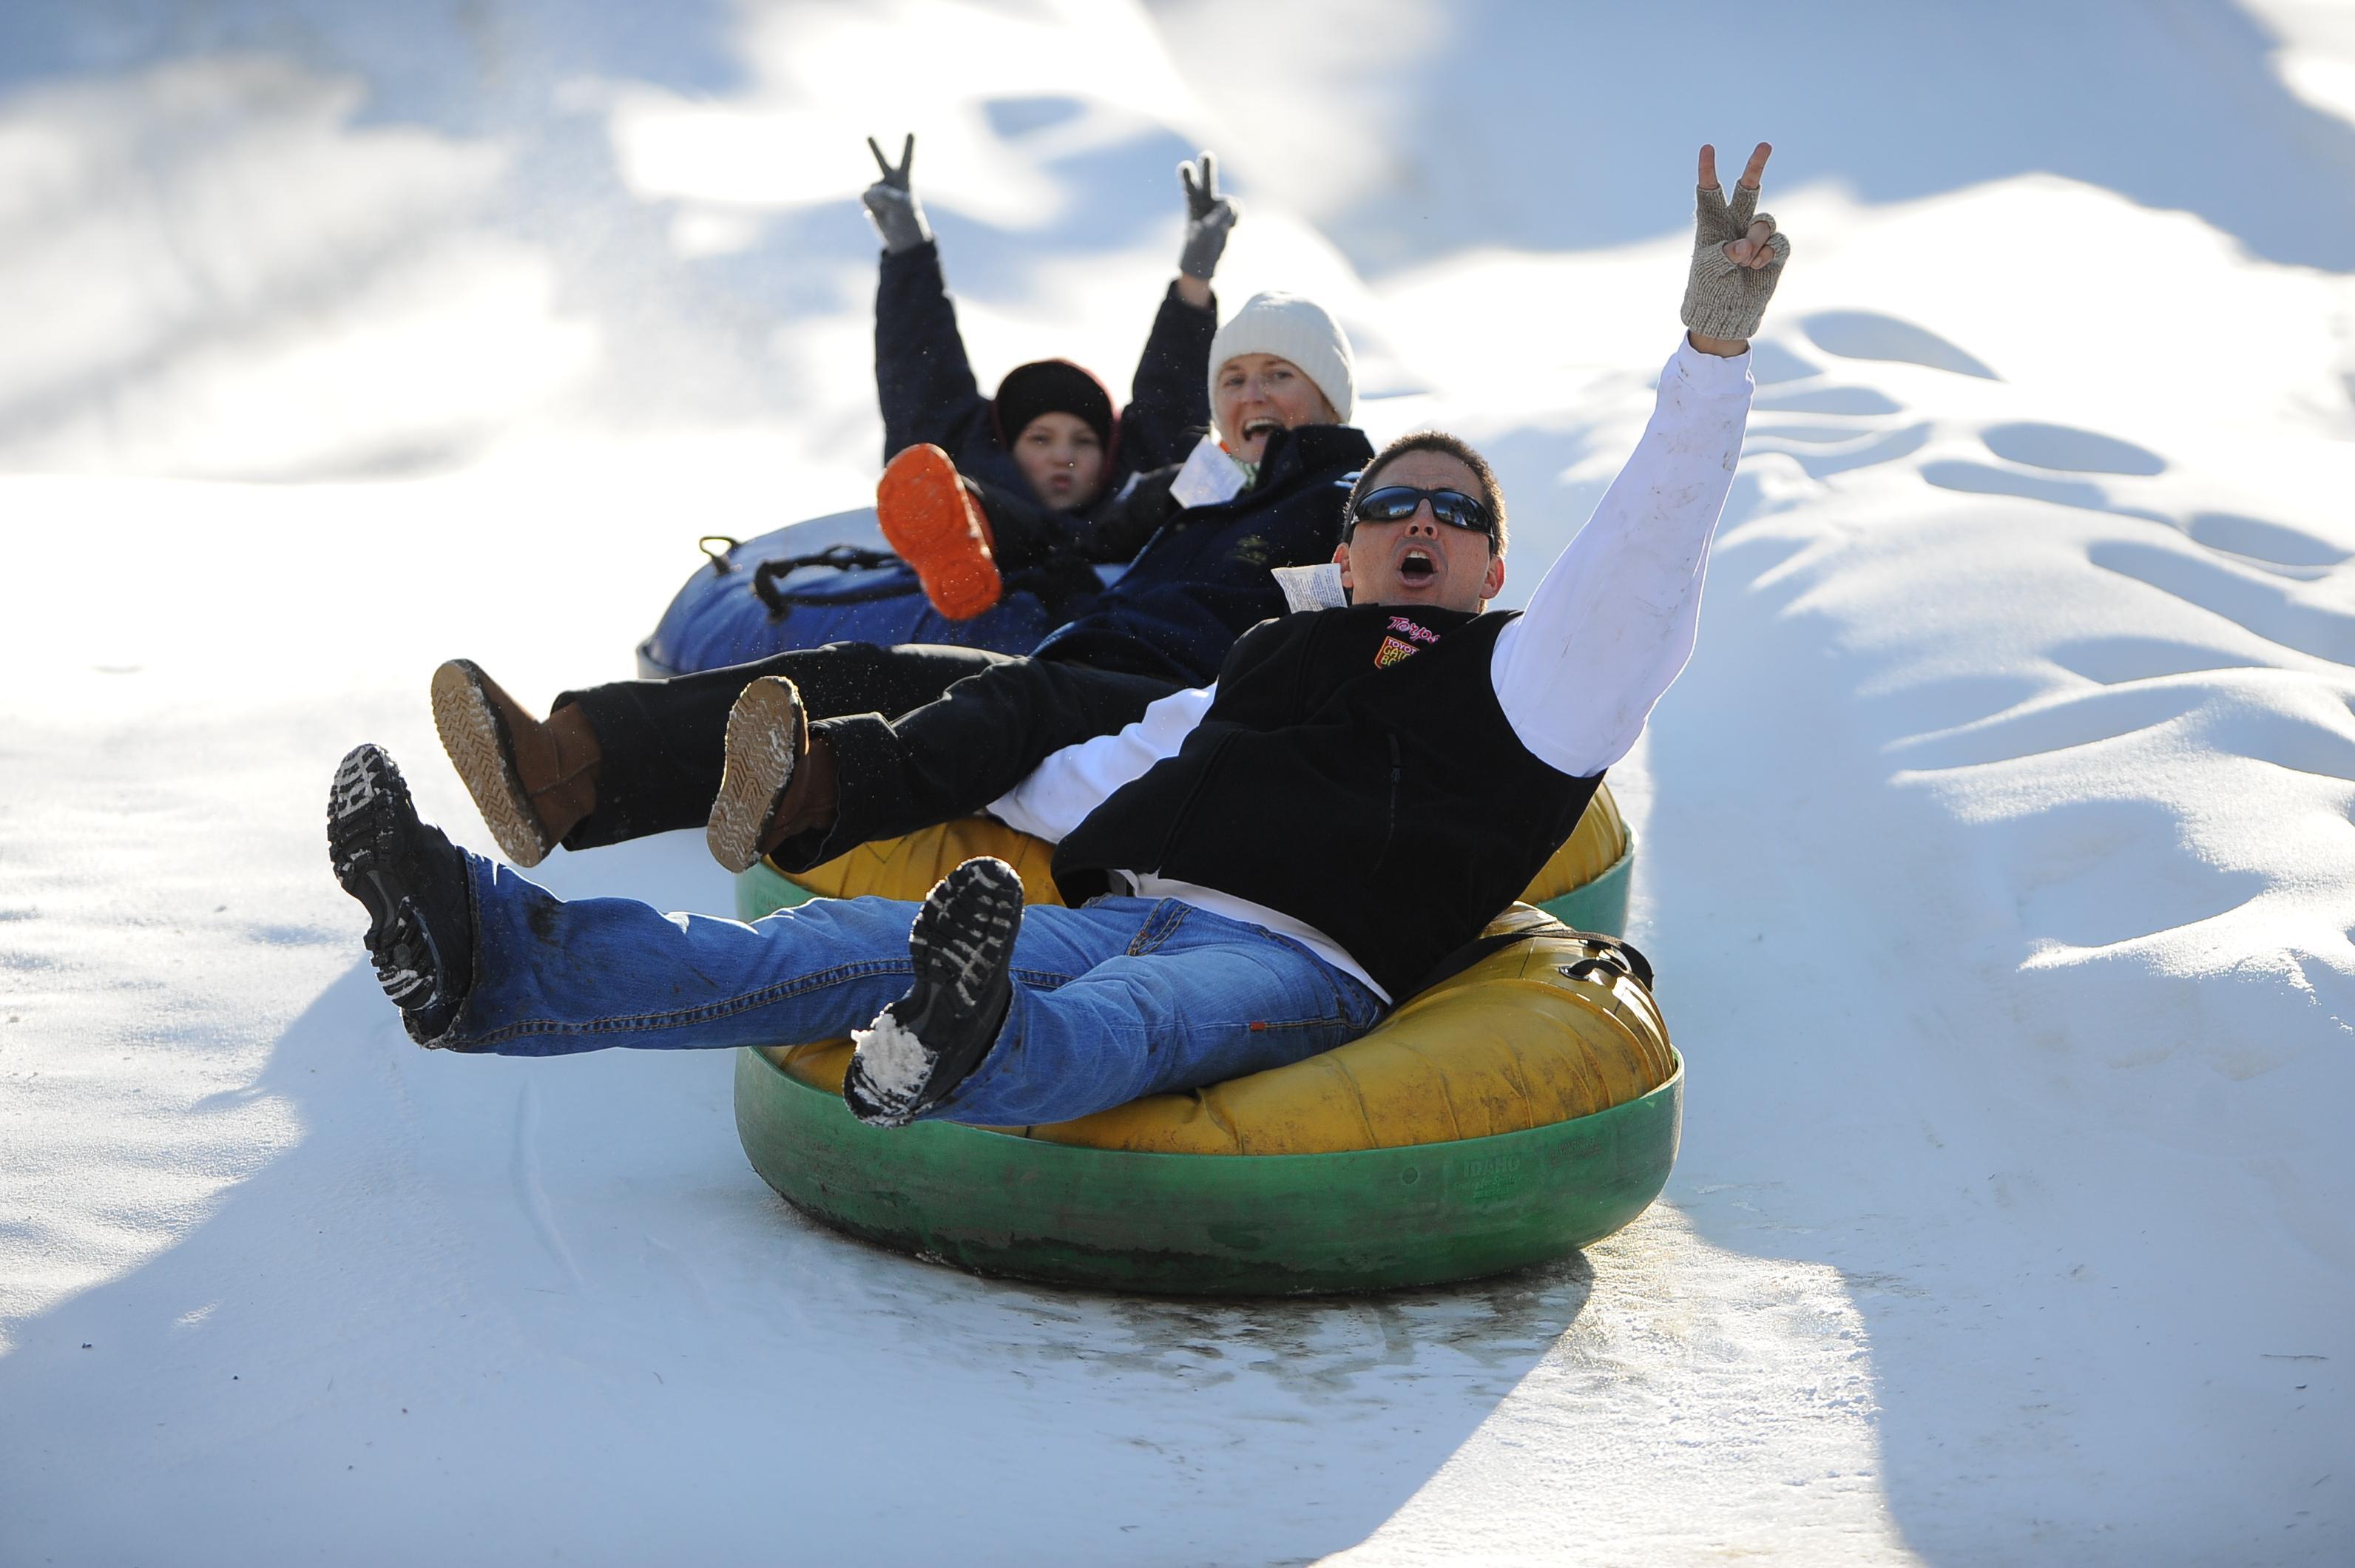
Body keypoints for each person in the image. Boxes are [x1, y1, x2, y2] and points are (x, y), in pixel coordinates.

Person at [338, 143, 1787, 1135]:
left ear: (1491, 563)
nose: (1418, 518)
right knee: (842, 931)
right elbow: (1110, 759)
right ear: (1345, 551)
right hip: (1123, 897)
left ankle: (952, 1047)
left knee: (1141, 1014)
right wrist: (897, 773)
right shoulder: (1274, 655)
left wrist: (1710, 360)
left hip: (1298, 957)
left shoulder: (1527, 677)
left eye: (1451, 510)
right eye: (1392, 506)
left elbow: (1642, 561)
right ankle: (488, 953)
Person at [435, 288, 1373, 872]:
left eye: (1277, 375)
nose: (1250, 394)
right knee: (866, 665)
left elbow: (1376, 629)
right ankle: (566, 765)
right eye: (1233, 377)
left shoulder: (1355, 497)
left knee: (1019, 695)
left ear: (1328, 396)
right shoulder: (1202, 492)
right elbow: (1082, 532)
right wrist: (994, 523)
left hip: (1181, 704)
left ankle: (812, 792)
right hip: (1083, 657)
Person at [860, 135, 1237, 609]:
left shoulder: (1136, 470)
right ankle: (956, 545)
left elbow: (1173, 392)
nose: (1064, 457)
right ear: (1006, 445)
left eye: (1084, 441)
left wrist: (1195, 278)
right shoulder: (971, 453)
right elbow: (923, 369)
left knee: (1185, 481)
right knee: (958, 492)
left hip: (1125, 547)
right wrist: (908, 249)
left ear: (1110, 452)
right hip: (993, 549)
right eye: (1040, 439)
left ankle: (1242, 485)